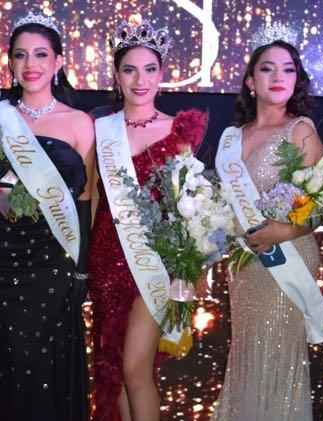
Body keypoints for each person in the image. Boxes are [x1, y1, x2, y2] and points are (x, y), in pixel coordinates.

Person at [0, 11, 94, 421]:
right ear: (11, 63)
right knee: (2, 359)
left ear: (58, 61)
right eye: (20, 55)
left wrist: (81, 271)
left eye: (41, 54)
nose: (30, 64)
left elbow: (85, 201)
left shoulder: (80, 123)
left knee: (41, 363)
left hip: (53, 260)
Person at [88, 20, 208, 420]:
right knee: (114, 369)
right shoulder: (100, 130)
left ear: (161, 74)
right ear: (116, 75)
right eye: (130, 70)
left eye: (149, 69)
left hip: (154, 262)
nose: (141, 81)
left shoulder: (178, 130)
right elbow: (95, 198)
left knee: (135, 368)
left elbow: (190, 205)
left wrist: (192, 267)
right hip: (107, 258)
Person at [212, 23, 323, 420]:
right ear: (250, 80)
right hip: (244, 265)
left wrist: (286, 230)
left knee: (277, 359)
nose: (278, 77)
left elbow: (321, 205)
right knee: (247, 356)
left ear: (296, 80)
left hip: (287, 257)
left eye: (288, 69)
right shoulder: (231, 137)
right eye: (267, 68)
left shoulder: (300, 130)